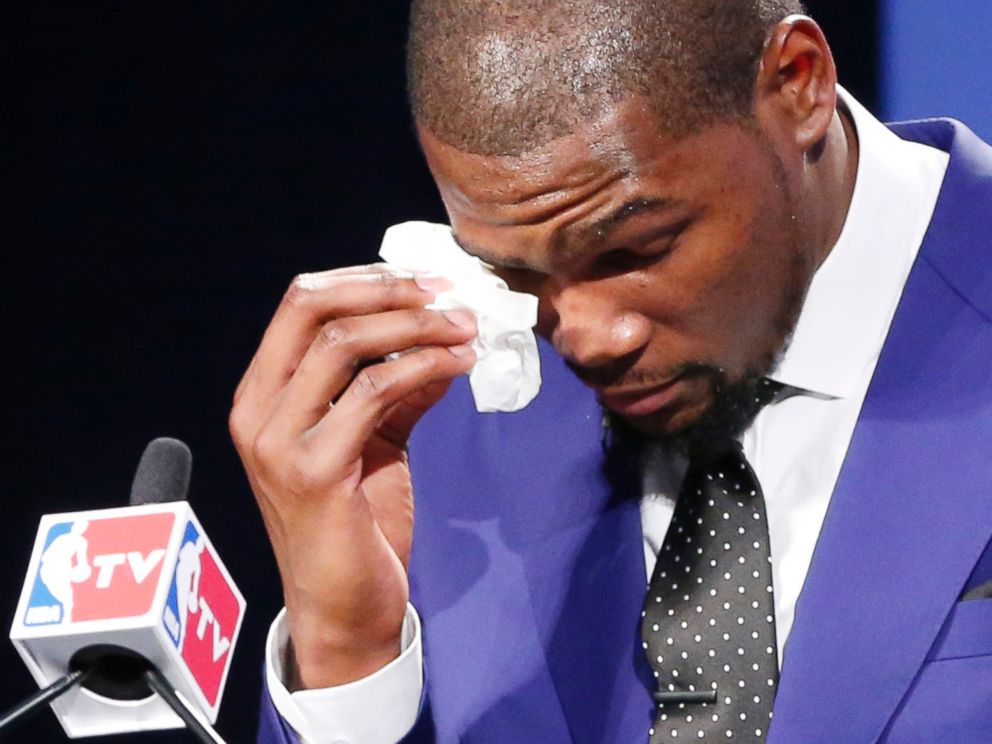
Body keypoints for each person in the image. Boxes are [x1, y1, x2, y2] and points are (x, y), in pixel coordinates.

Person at [231, 1, 992, 742]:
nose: (589, 340)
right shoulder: (432, 422)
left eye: (636, 251)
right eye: (515, 272)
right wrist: (346, 652)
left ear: (799, 84)